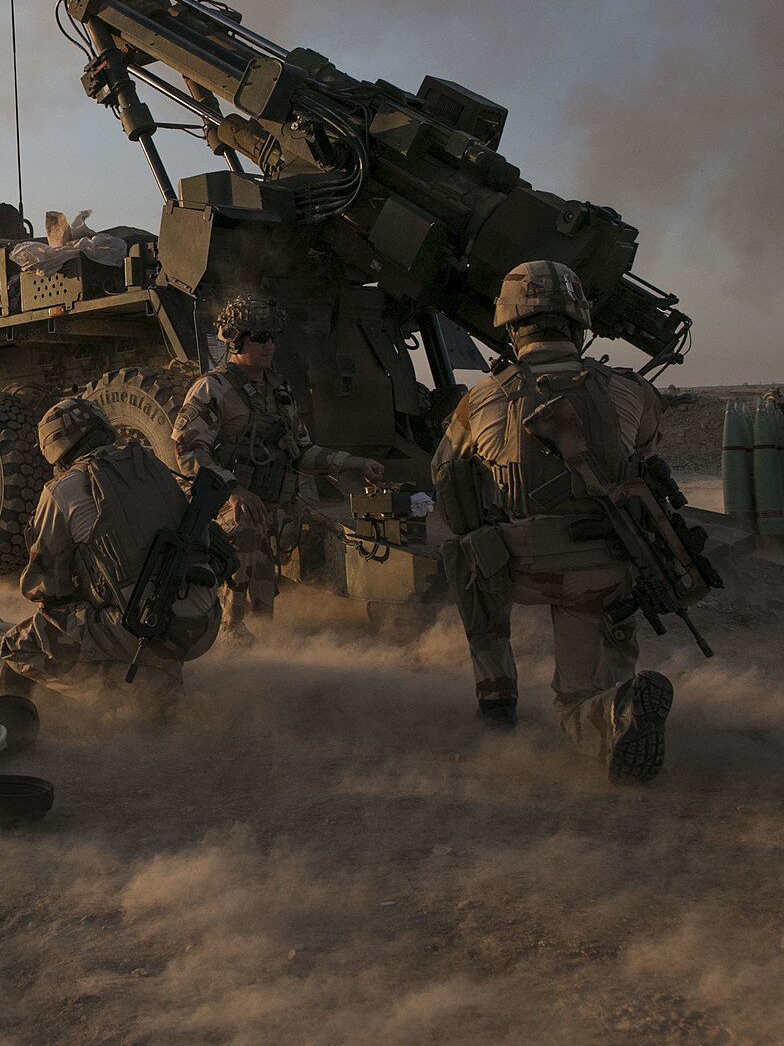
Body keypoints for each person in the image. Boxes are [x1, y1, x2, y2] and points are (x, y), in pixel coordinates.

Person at [431, 259, 682, 781]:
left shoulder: (480, 398)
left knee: (465, 554)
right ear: (580, 322)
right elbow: (648, 460)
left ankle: (497, 697)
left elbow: (447, 478)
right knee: (579, 700)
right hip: (605, 565)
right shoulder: (630, 390)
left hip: (519, 565)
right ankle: (618, 709)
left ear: (509, 323)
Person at [171, 296, 386, 642]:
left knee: (336, 533)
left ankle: (286, 633)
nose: (269, 344)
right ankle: (230, 628)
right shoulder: (215, 388)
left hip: (275, 503)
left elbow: (302, 452)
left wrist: (353, 463)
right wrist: (233, 490)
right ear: (236, 339)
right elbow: (187, 449)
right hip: (223, 507)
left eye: (272, 336)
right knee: (247, 527)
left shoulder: (279, 390)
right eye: (259, 336)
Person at [0, 396, 222, 697]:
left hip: (146, 627)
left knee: (18, 647)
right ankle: (161, 667)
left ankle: (130, 692)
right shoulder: (151, 464)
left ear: (56, 450)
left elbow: (42, 587)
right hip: (205, 621)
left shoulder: (62, 490)